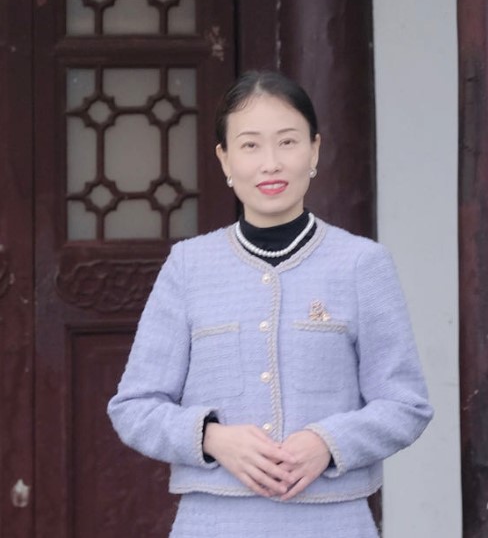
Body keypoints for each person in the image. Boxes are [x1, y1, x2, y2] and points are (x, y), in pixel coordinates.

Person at [108, 70, 433, 538]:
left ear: (314, 151)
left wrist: (328, 442)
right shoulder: (188, 266)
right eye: (250, 145)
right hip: (212, 522)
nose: (271, 163)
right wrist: (212, 438)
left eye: (287, 142)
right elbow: (134, 407)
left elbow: (406, 404)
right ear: (224, 158)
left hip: (334, 521)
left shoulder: (362, 264)